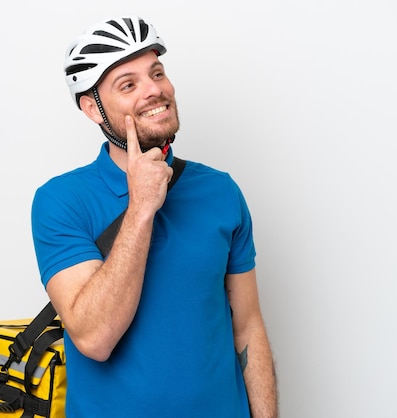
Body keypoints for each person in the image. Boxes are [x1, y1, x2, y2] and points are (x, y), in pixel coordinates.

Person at [31, 15, 278, 418]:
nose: (154, 90)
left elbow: (248, 326)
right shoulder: (61, 201)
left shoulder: (220, 190)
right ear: (93, 109)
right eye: (128, 84)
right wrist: (142, 207)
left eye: (157, 73)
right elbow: (94, 338)